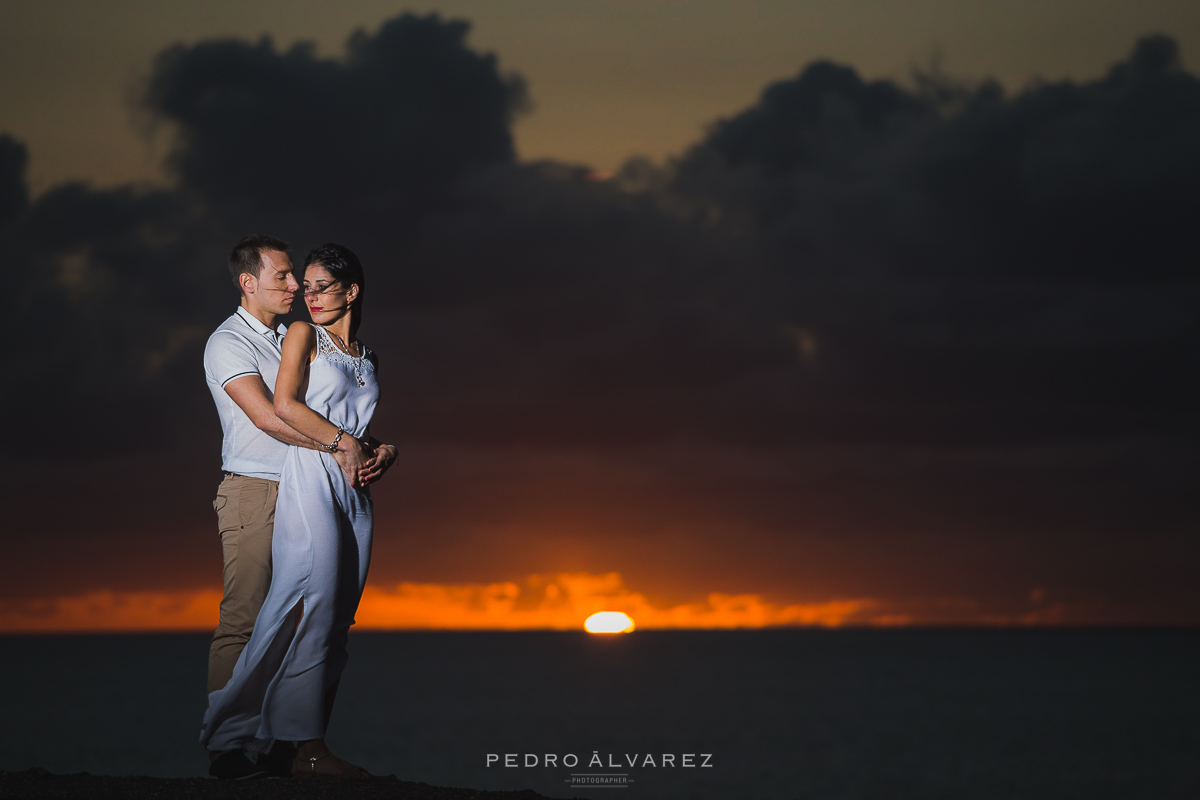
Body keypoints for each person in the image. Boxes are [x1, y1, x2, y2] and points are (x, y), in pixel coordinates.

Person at [200, 242, 392, 780]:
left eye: (304, 281)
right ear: (248, 282)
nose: (295, 288)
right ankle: (228, 750)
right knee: (248, 616)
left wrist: (373, 446)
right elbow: (271, 417)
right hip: (258, 487)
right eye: (285, 277)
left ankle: (288, 743)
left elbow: (332, 411)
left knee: (321, 616)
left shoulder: (299, 336)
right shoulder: (228, 343)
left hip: (323, 484)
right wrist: (340, 445)